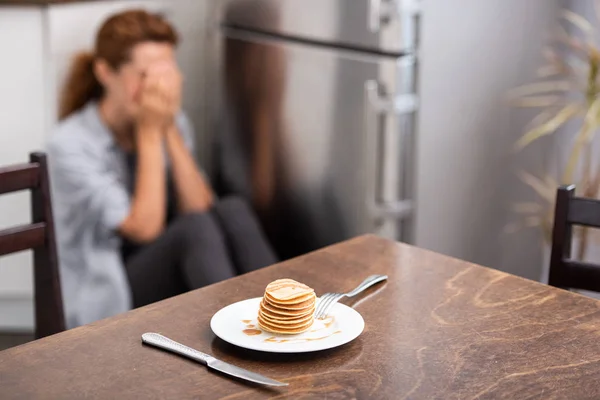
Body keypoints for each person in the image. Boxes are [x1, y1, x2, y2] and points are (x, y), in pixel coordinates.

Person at [47, 10, 277, 329]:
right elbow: (145, 229)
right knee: (194, 231)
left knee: (231, 209)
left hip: (170, 268)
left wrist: (167, 126)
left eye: (165, 75)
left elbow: (201, 206)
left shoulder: (171, 118)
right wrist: (150, 132)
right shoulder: (70, 143)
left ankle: (285, 316)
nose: (158, 89)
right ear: (105, 72)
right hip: (111, 293)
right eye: (145, 76)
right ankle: (238, 334)